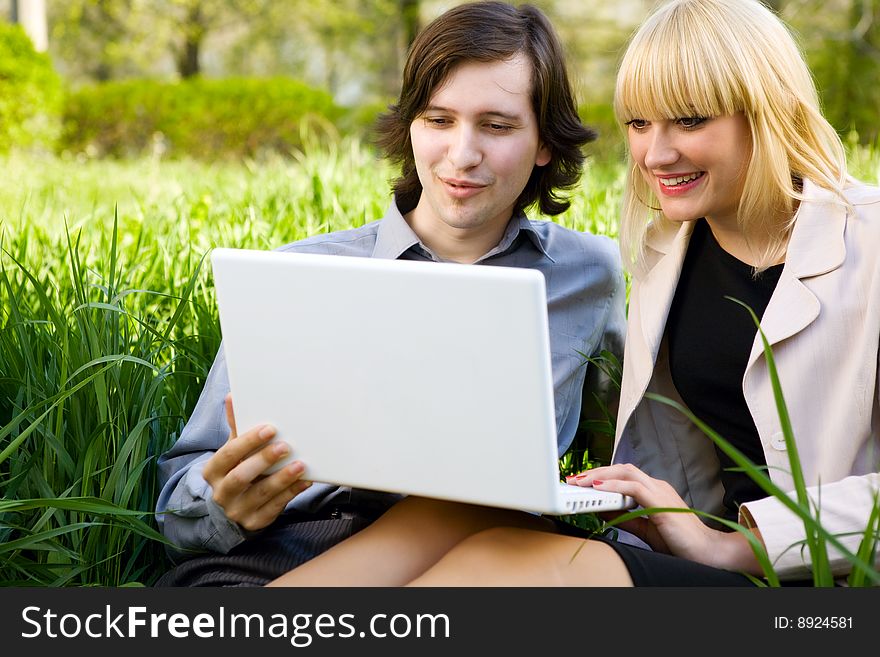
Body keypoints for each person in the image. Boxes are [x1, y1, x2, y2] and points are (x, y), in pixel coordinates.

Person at [268, 0, 880, 587]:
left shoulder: (867, 242)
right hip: (706, 565)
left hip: (830, 583)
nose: (655, 153)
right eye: (639, 124)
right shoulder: (668, 253)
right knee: (484, 544)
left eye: (691, 120)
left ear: (769, 112)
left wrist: (730, 544)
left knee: (507, 568)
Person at [154, 0, 626, 587]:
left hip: (497, 551)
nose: (462, 154)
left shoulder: (590, 274)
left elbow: (632, 449)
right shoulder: (301, 274)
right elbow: (180, 501)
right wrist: (223, 506)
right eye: (438, 120)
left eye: (497, 126)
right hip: (291, 549)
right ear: (409, 127)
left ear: (545, 143)